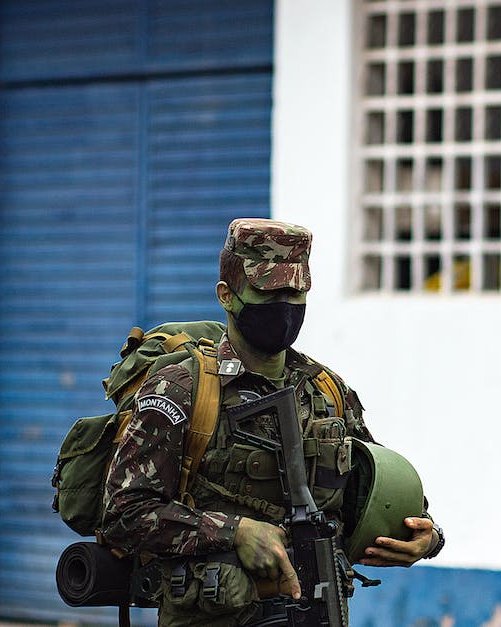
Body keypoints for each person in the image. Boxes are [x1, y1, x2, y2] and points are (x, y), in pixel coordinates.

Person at [101, 218, 443, 626]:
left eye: (297, 291)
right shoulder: (184, 388)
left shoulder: (326, 392)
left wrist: (428, 538)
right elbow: (123, 512)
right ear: (226, 296)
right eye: (270, 291)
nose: (286, 304)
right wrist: (235, 532)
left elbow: (374, 491)